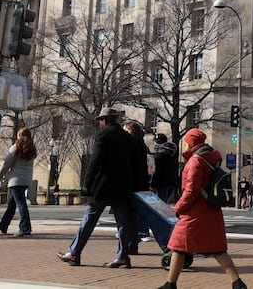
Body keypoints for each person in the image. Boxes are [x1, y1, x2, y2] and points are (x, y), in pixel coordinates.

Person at [157, 128, 247, 289]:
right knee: (217, 249)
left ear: (191, 143)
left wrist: (179, 206)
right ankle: (237, 282)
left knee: (178, 246)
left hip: (194, 211)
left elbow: (191, 189)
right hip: (210, 210)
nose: (184, 146)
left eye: (185, 143)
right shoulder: (210, 158)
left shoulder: (195, 161)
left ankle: (170, 284)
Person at [57, 107, 139, 268]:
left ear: (103, 121)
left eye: (100, 121)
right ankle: (122, 256)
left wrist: (86, 184)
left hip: (102, 186)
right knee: (123, 222)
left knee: (89, 220)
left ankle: (74, 253)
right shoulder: (128, 138)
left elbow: (94, 162)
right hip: (123, 187)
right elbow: (136, 163)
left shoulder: (103, 135)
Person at [0, 128, 37, 236]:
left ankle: (25, 228)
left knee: (21, 204)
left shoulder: (15, 148)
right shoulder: (31, 150)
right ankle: (3, 225)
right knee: (12, 204)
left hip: (15, 180)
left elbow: (6, 164)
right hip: (26, 180)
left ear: (19, 136)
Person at [123, 119, 152, 251]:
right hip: (141, 183)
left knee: (126, 216)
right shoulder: (142, 145)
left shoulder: (129, 145)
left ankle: (129, 244)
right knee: (134, 215)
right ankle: (133, 243)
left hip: (130, 183)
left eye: (125, 130)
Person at [150, 133, 179, 204]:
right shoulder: (173, 152)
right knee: (165, 202)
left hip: (162, 183)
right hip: (172, 181)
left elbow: (157, 171)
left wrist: (153, 185)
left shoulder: (159, 155)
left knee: (161, 204)